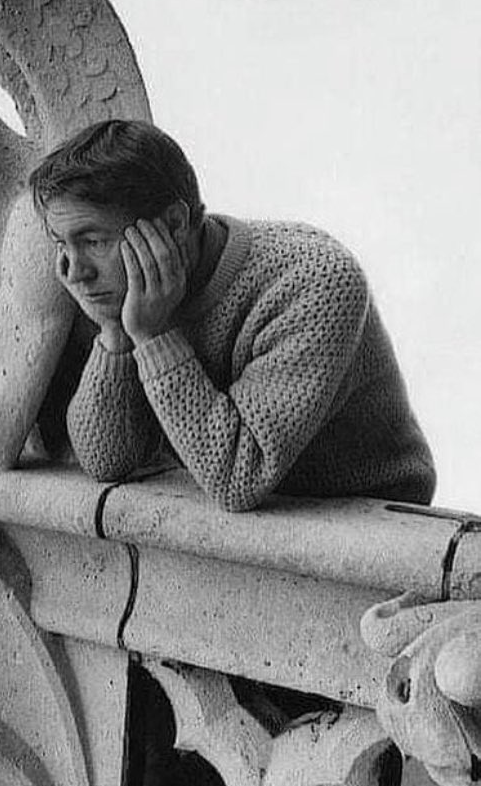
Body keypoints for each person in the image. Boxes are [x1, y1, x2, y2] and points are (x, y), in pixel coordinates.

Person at [28, 119, 436, 512]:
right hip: (237, 516)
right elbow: (105, 460)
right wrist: (115, 331)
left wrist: (155, 338)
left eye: (93, 241)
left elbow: (238, 478)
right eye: (62, 244)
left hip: (366, 516)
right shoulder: (135, 298)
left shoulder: (314, 281)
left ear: (174, 225)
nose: (75, 272)